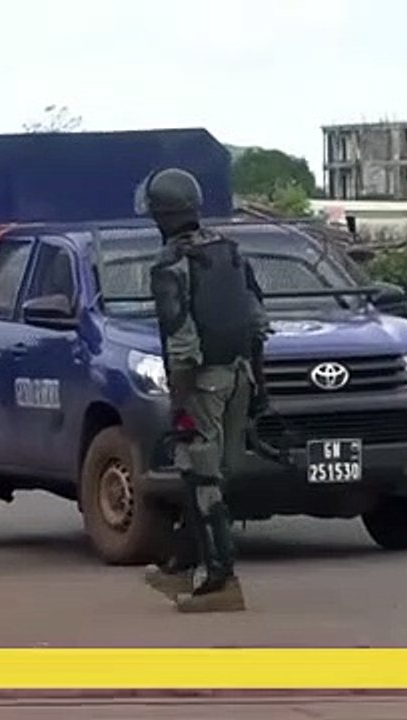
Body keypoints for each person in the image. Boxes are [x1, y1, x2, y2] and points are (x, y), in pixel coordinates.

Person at [135, 167, 269, 613]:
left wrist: (182, 399)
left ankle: (219, 578)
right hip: (240, 376)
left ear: (162, 215)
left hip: (203, 382)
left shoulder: (171, 263)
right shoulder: (228, 251)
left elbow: (181, 339)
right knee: (210, 474)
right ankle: (182, 564)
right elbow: (256, 324)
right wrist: (259, 387)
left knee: (200, 475)